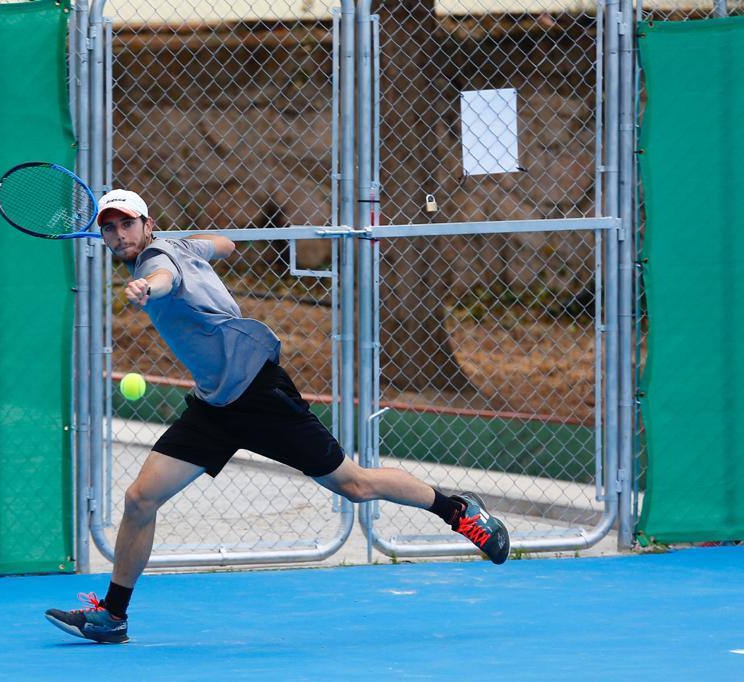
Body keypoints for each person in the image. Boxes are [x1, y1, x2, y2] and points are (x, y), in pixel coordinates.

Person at [45, 189, 510, 644]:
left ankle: (458, 510)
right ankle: (113, 615)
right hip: (215, 405)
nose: (119, 233)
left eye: (128, 223)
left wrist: (150, 286)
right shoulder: (182, 245)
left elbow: (163, 276)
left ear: (148, 226)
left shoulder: (154, 263)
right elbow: (223, 244)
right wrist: (195, 248)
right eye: (109, 227)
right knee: (140, 499)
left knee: (354, 485)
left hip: (260, 394)